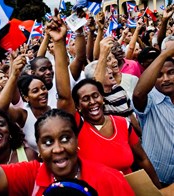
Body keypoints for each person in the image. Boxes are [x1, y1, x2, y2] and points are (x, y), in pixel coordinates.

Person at [50, 12, 161, 188]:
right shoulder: (77, 127)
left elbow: (142, 159)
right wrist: (58, 43)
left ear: (103, 97)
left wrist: (158, 189)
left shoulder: (122, 124)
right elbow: (64, 96)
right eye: (85, 99)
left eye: (95, 96)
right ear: (77, 106)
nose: (92, 102)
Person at [132, 37, 174, 186]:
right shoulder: (149, 100)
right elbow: (137, 94)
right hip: (154, 182)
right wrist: (164, 53)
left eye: (171, 73)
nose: (166, 79)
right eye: (159, 75)